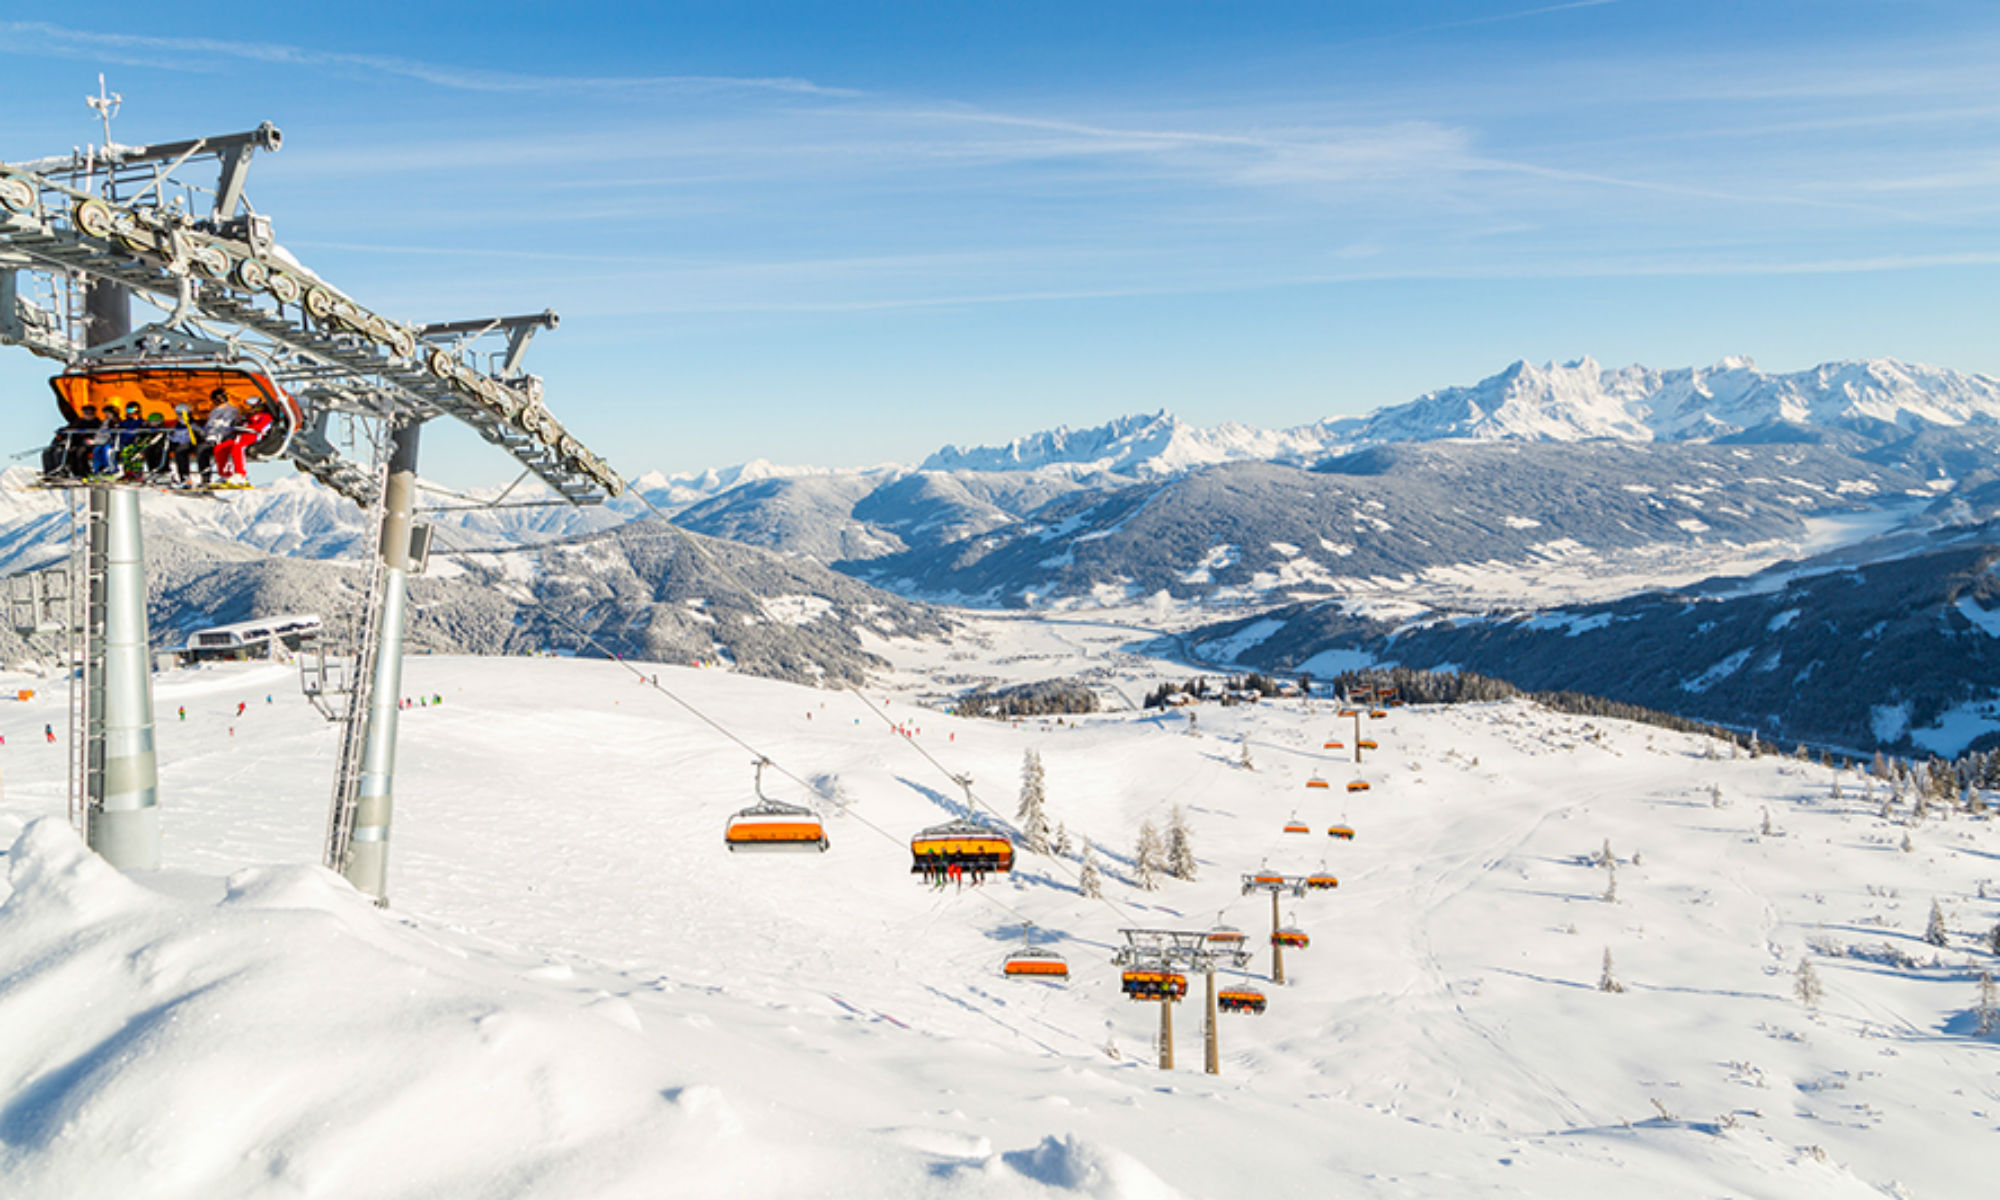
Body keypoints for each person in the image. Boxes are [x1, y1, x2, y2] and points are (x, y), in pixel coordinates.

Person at [212, 399, 271, 483]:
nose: (249, 409)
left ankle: (240, 474)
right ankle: (225, 474)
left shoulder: (264, 416)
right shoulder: (247, 417)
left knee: (238, 447)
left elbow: (261, 427)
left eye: (250, 407)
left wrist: (248, 427)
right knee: (220, 447)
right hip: (240, 438)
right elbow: (240, 426)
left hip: (253, 439)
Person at [201, 390, 241, 483]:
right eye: (216, 399)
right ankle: (206, 477)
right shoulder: (214, 411)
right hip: (211, 437)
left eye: (220, 398)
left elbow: (227, 424)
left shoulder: (232, 410)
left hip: (223, 436)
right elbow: (209, 425)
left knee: (216, 450)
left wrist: (217, 425)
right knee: (201, 449)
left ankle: (227, 474)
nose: (218, 401)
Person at [165, 406, 198, 486]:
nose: (180, 416)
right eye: (178, 414)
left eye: (181, 414)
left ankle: (185, 477)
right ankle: (163, 472)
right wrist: (170, 437)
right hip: (178, 442)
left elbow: (191, 436)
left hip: (189, 443)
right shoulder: (178, 424)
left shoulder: (192, 424)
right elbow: (175, 436)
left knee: (180, 452)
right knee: (162, 448)